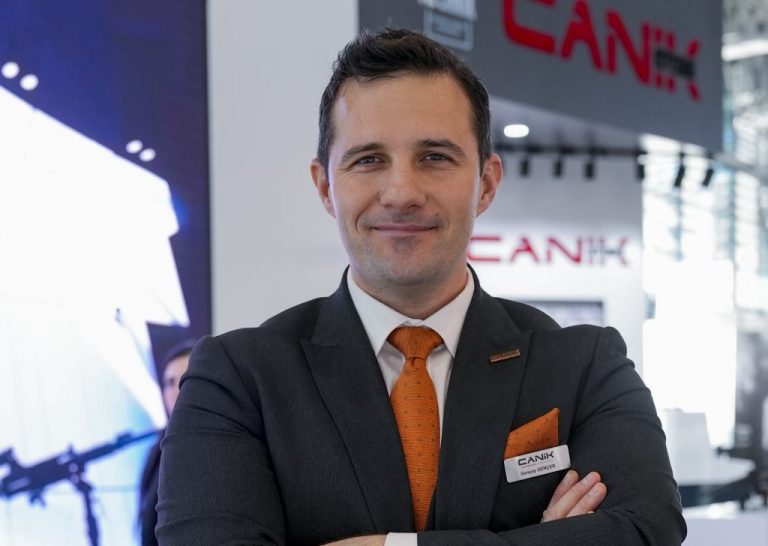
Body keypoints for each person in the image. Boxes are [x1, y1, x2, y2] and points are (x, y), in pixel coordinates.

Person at [157, 28, 686, 545]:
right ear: (325, 187)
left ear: (486, 183)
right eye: (369, 160)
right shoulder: (238, 380)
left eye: (435, 157)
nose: (402, 192)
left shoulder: (583, 367)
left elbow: (648, 527)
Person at [138, 341, 194, 546]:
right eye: (169, 382)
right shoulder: (158, 448)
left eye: (185, 379)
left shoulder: (216, 446)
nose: (176, 390)